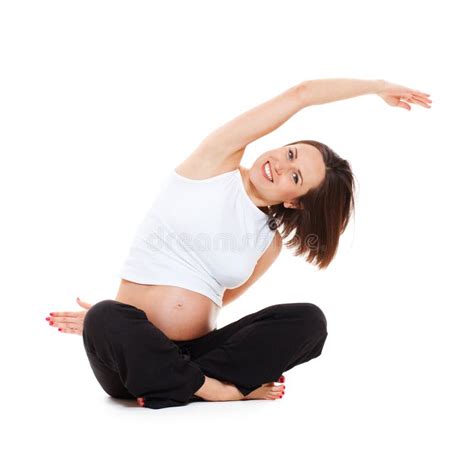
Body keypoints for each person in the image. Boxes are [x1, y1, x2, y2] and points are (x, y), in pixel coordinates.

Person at [45, 79, 432, 409]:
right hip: (128, 365)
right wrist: (377, 87)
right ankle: (216, 391)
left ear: (294, 201)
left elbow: (221, 298)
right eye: (290, 153)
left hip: (198, 354)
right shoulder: (216, 163)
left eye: (295, 177)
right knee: (106, 317)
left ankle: (180, 384)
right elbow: (301, 94)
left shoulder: (269, 243)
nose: (281, 164)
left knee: (310, 320)